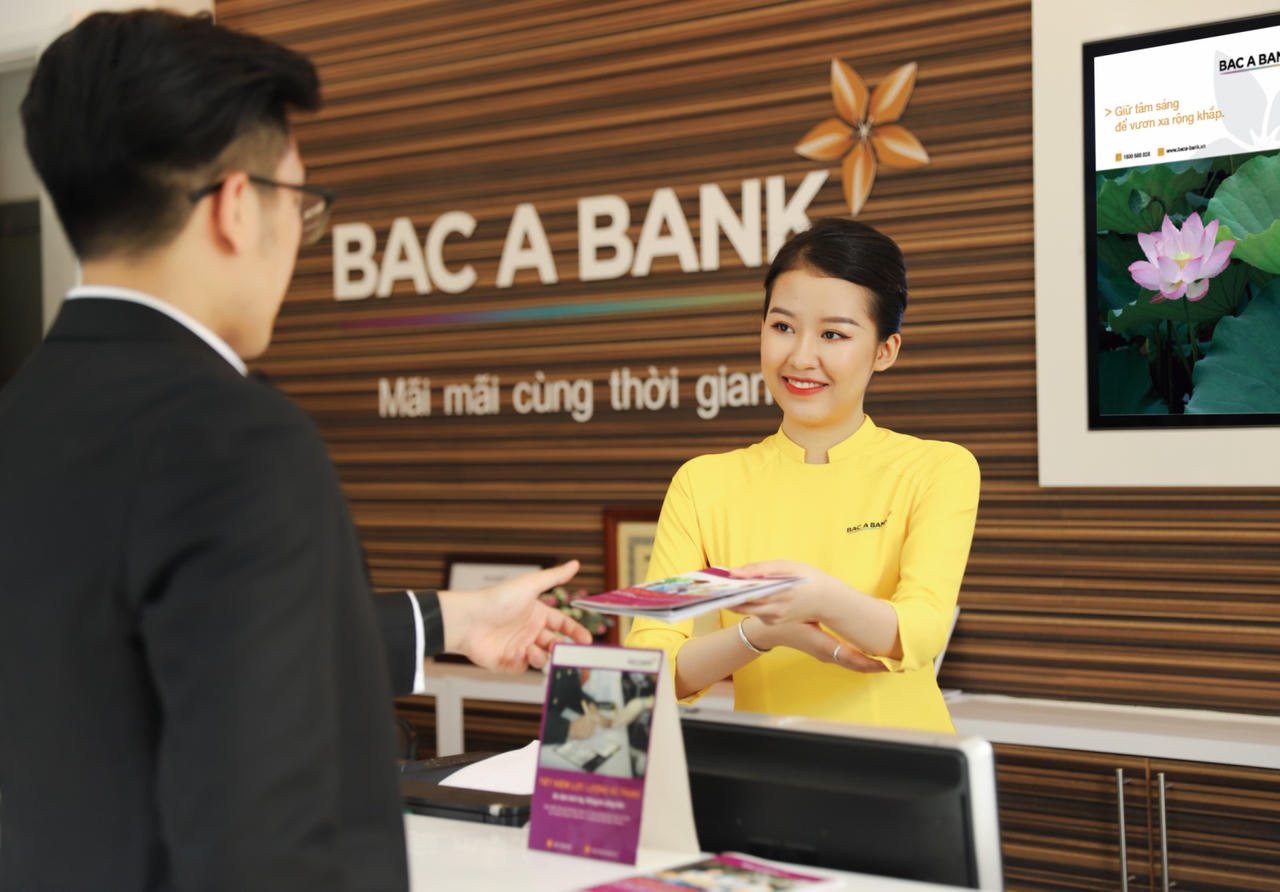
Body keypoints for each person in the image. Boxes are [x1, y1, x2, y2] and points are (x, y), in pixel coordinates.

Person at [0, 10, 589, 891]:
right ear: (238, 206)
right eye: (301, 203)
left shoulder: (22, 416)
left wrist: (452, 620)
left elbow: (154, 651)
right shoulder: (237, 438)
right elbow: (270, 834)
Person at [626, 218, 980, 734]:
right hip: (766, 772)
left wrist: (820, 599)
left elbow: (920, 633)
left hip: (906, 767)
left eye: (833, 334)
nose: (800, 357)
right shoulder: (702, 484)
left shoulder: (937, 469)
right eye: (782, 327)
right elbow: (648, 673)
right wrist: (761, 634)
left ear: (885, 351)